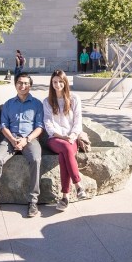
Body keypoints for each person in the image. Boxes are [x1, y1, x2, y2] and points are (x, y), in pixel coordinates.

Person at [0, 73, 44, 218]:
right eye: (20, 83)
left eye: (26, 83)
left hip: (29, 139)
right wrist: (11, 139)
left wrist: (26, 140)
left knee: (36, 159)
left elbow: (40, 127)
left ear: (30, 86)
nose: (23, 86)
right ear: (15, 84)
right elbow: (3, 125)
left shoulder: (37, 104)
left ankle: (33, 201)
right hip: (10, 138)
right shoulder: (9, 104)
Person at [43, 70, 89, 212]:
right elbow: (48, 125)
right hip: (55, 139)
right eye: (55, 82)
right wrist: (62, 137)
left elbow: (78, 121)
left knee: (64, 155)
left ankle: (65, 197)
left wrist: (73, 135)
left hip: (71, 139)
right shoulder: (47, 101)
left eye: (60, 81)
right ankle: (78, 185)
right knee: (66, 148)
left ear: (65, 82)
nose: (57, 84)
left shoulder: (74, 98)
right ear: (51, 83)